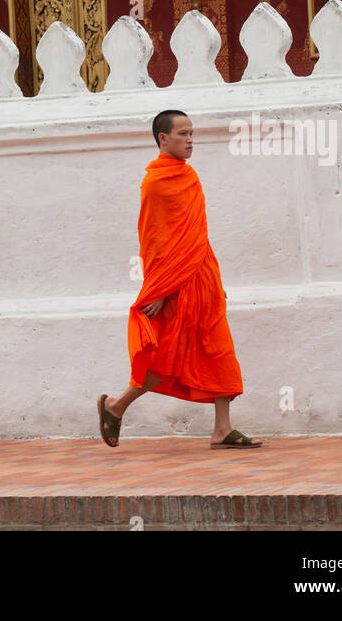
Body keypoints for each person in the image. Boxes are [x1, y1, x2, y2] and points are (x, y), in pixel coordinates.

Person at [98, 109, 262, 449]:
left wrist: (213, 278)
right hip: (173, 284)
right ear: (163, 138)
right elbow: (154, 239)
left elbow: (195, 232)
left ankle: (222, 428)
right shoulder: (155, 182)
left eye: (192, 134)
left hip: (202, 276)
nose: (190, 140)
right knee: (167, 356)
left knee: (218, 348)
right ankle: (116, 405)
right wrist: (158, 288)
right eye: (183, 134)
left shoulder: (189, 176)